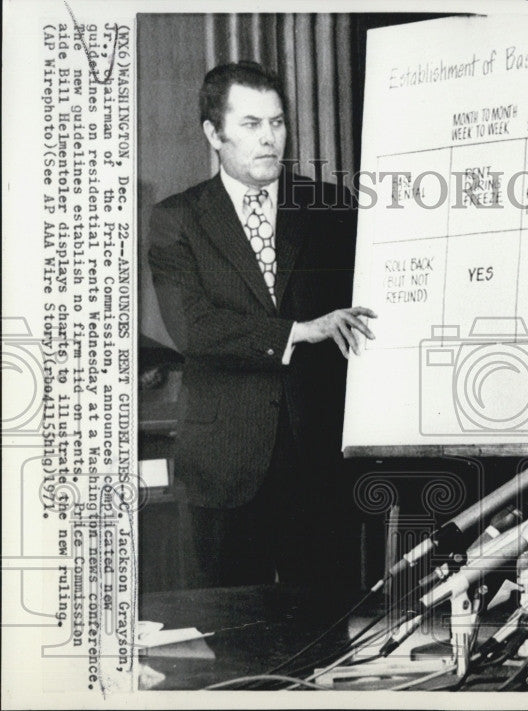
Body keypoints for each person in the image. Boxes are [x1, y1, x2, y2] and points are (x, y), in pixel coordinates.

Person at [147, 61, 376, 590]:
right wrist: (298, 332)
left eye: (277, 123)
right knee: (233, 644)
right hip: (223, 470)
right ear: (213, 133)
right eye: (251, 124)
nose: (270, 138)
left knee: (327, 635)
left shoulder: (330, 206)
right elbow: (194, 329)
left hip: (319, 465)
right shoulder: (176, 219)